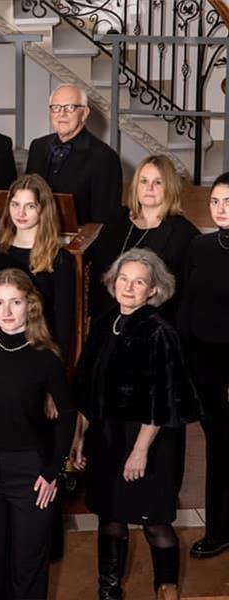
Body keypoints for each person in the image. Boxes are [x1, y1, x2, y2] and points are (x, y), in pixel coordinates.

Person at [72, 248, 201, 600]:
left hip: (149, 439)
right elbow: (86, 387)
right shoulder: (103, 323)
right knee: (110, 518)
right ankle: (109, 590)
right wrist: (79, 437)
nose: (128, 288)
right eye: (123, 279)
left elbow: (164, 399)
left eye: (139, 282)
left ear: (154, 289)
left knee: (154, 521)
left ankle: (166, 588)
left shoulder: (160, 332)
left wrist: (139, 451)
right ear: (113, 282)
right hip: (106, 436)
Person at [0, 268, 76, 600]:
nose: (6, 311)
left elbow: (68, 416)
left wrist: (53, 471)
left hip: (31, 473)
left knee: (29, 568)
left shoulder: (45, 356)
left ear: (30, 305)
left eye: (16, 302)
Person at [178, 172, 229, 559]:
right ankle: (218, 530)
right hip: (204, 360)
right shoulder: (199, 245)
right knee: (218, 443)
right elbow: (186, 304)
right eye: (215, 202)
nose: (221, 209)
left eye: (228, 202)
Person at [88, 154, 199, 322]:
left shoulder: (184, 234)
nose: (149, 187)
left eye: (158, 182)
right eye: (144, 181)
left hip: (155, 322)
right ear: (136, 186)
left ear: (170, 187)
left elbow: (185, 295)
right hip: (107, 316)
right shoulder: (116, 220)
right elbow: (98, 272)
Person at [0, 173, 74, 359]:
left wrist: (57, 363)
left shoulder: (59, 258)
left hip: (39, 351)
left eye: (30, 206)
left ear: (43, 209)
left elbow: (64, 323)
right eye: (15, 204)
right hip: (1, 349)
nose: (20, 213)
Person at [25, 83, 122, 224]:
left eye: (70, 107)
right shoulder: (37, 146)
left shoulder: (104, 157)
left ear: (85, 113)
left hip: (80, 237)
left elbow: (105, 220)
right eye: (56, 107)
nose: (62, 114)